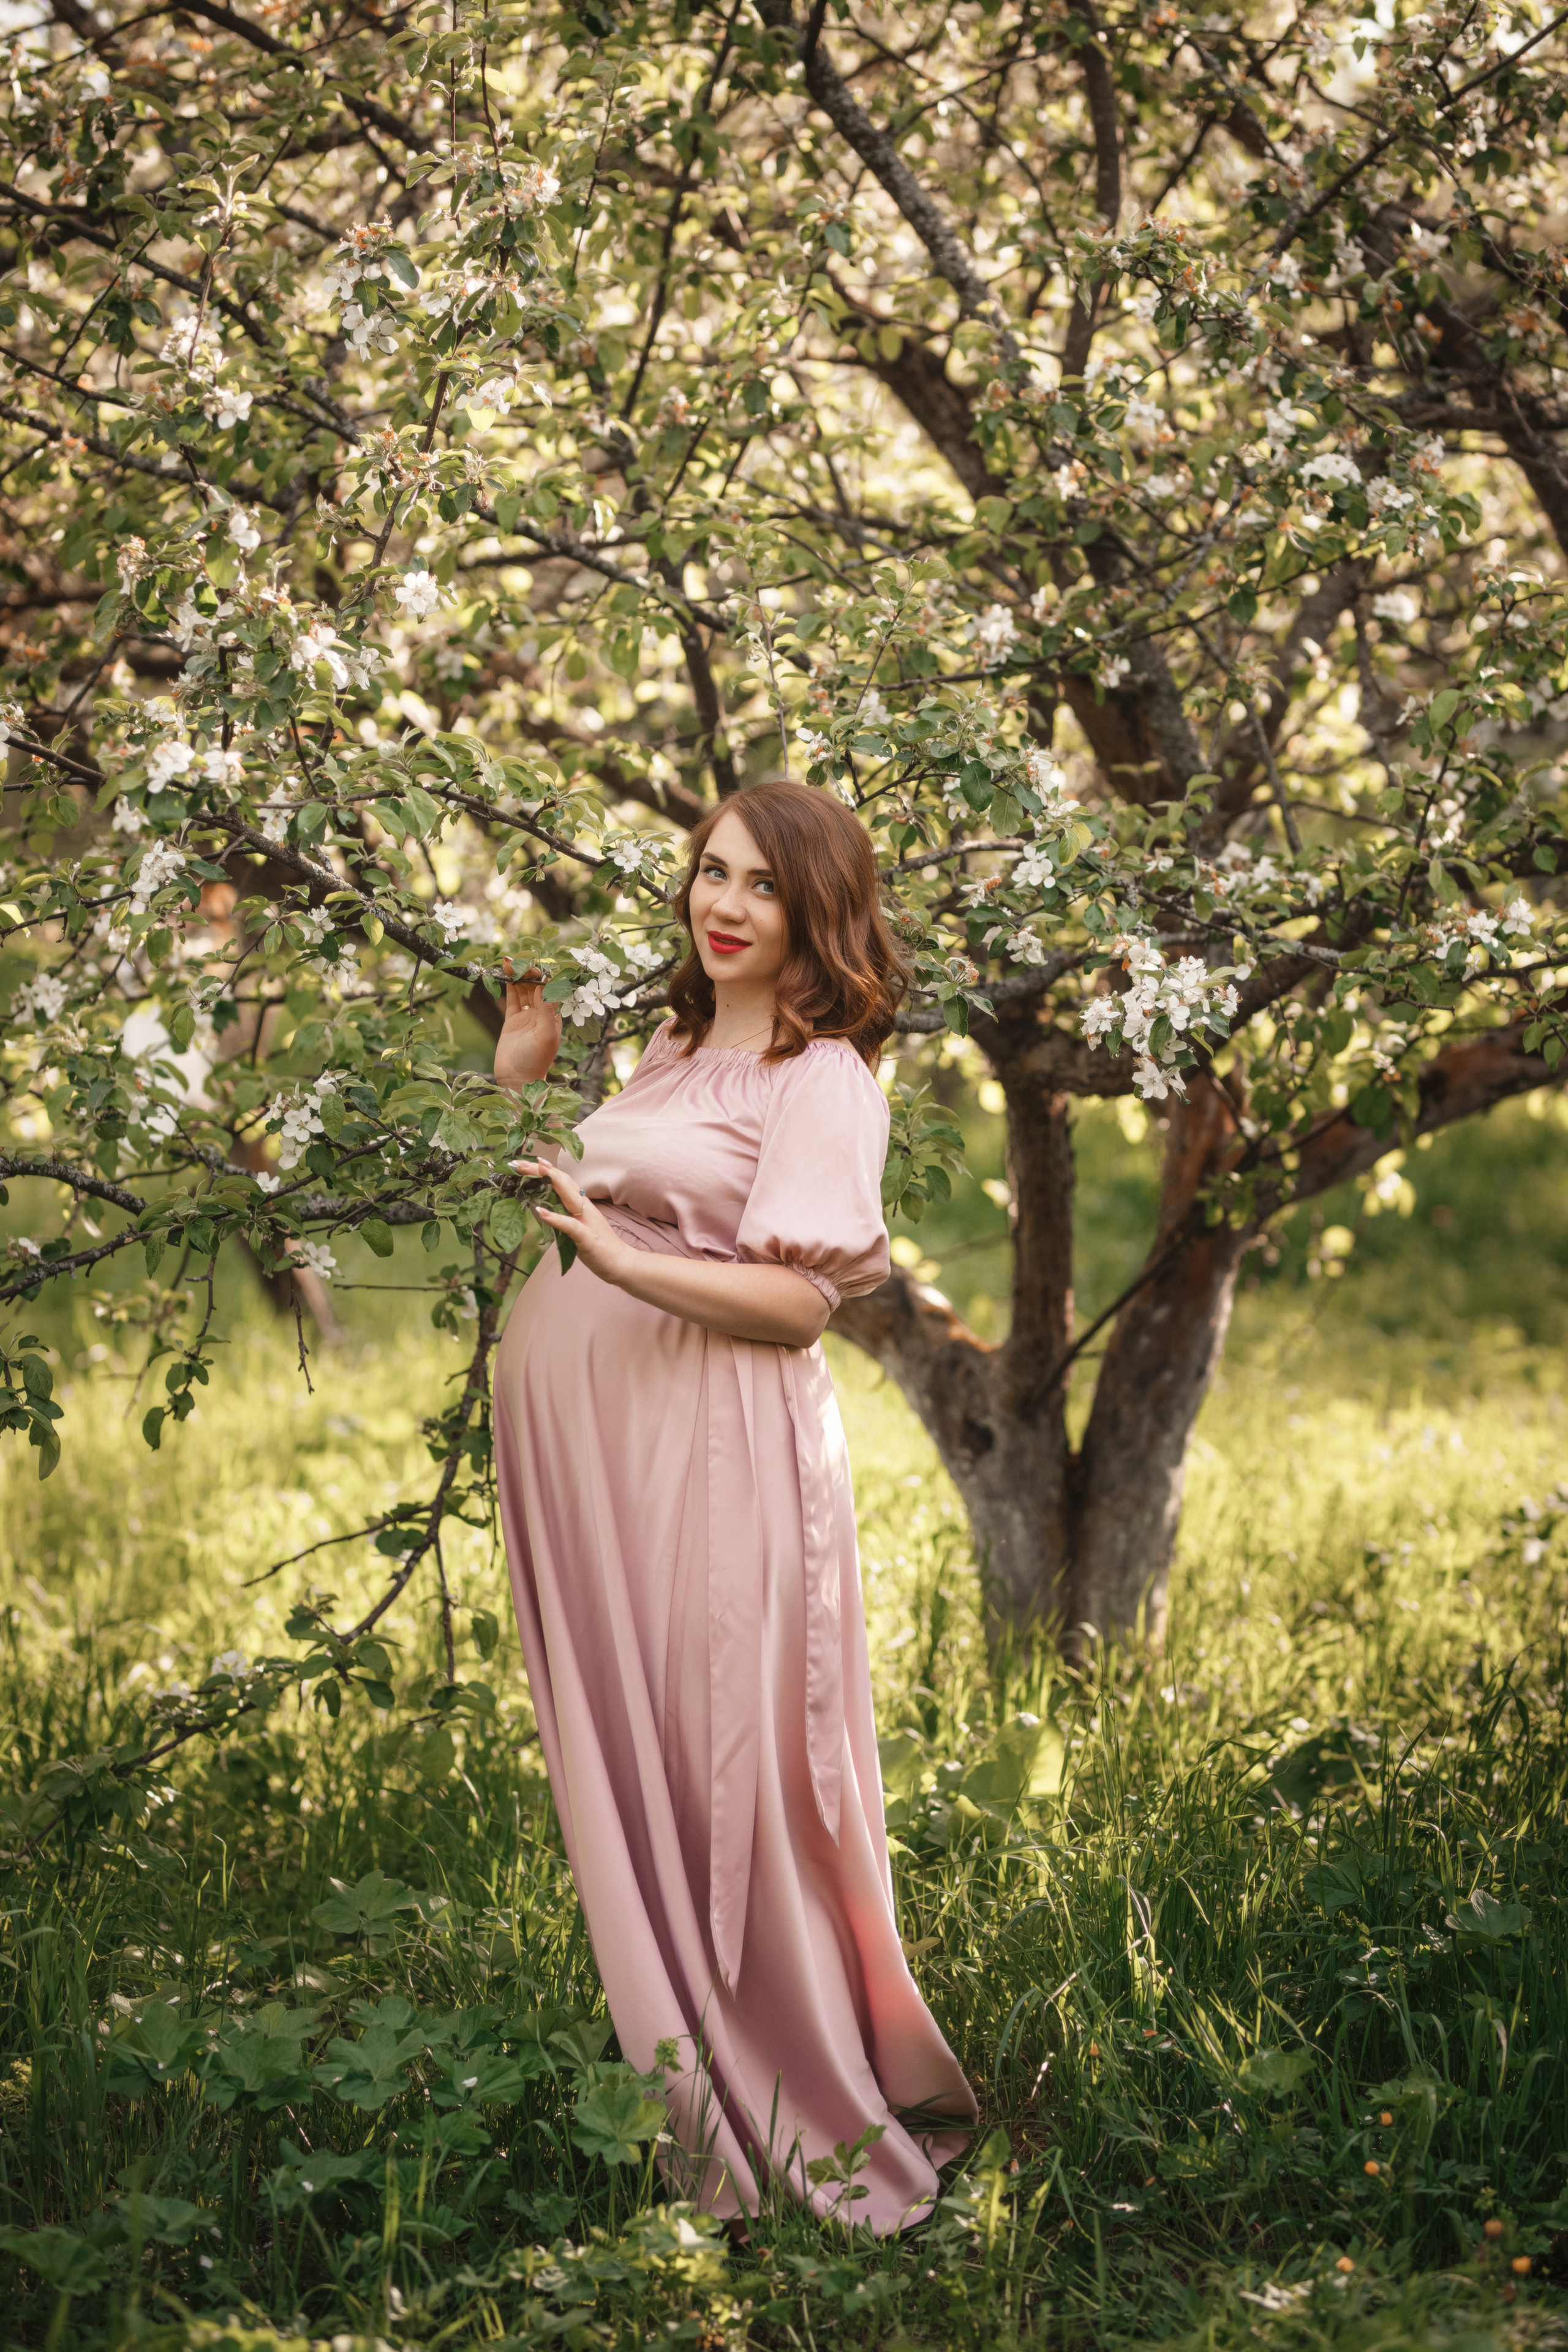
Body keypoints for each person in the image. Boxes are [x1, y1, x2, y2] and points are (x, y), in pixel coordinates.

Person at [491, 780, 977, 2234]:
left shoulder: (822, 1079)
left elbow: (793, 1302)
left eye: (760, 885)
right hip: (599, 1475)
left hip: (712, 1460)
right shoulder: (669, 1044)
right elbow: (569, 1198)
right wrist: (521, 1084)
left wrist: (629, 1274)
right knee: (636, 1774)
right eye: (710, 872)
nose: (722, 904)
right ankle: (679, 2070)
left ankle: (791, 2111)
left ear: (814, 907)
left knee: (730, 1779)